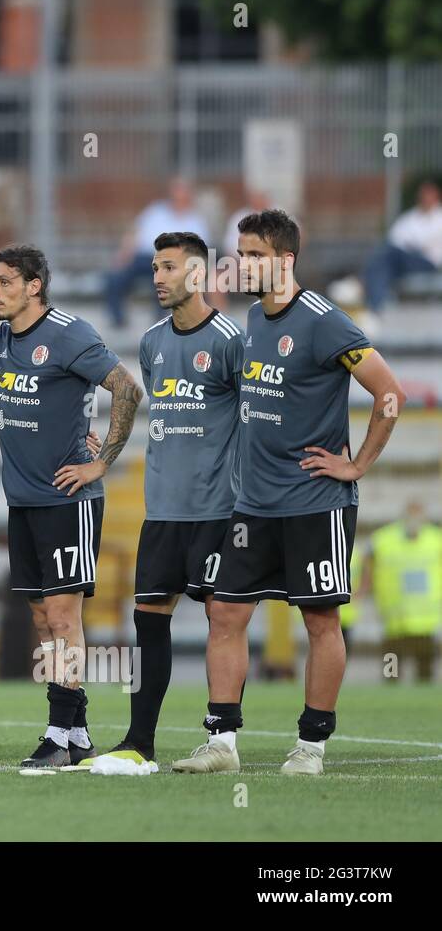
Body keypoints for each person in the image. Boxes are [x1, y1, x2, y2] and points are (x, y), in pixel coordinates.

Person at [172, 209, 406, 776]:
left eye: (253, 255)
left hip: (313, 502)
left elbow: (390, 394)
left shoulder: (326, 322)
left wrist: (357, 466)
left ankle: (310, 746)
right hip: (252, 504)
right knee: (224, 613)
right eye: (240, 253)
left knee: (320, 622)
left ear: (285, 259)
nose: (243, 264)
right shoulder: (252, 316)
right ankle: (222, 741)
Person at [82, 231, 244, 770]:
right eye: (154, 267)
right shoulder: (151, 342)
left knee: (223, 619)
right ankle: (138, 741)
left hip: (218, 512)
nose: (156, 277)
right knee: (148, 621)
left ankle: (223, 741)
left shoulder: (230, 341)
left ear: (197, 275)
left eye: (168, 267)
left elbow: (256, 419)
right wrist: (103, 451)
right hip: (163, 513)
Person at [0, 244, 143, 768]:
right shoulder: (3, 340)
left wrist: (102, 463)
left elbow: (127, 388)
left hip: (67, 499)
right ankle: (75, 735)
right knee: (40, 615)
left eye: (5, 282)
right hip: (24, 501)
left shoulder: (69, 332)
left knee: (62, 613)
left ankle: (58, 732)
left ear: (34, 285)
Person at [104, 177, 211, 327]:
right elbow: (134, 233)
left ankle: (159, 325)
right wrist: (123, 254)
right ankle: (118, 322)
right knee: (115, 278)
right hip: (143, 258)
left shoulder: (196, 220)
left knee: (163, 280)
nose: (178, 197)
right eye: (176, 192)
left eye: (182, 193)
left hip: (175, 264)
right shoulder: (155, 211)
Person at [361, 501, 442, 683]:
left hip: (425, 621)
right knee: (392, 669)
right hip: (394, 619)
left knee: (425, 670)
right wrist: (366, 585)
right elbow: (367, 557)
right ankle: (391, 695)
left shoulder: (436, 538)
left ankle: (422, 699)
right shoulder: (384, 538)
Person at [362, 178, 442, 315]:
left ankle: (366, 299)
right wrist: (413, 245)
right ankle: (374, 309)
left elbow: (421, 244)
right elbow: (395, 239)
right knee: (383, 265)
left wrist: (412, 245)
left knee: (385, 258)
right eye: (423, 195)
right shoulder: (410, 217)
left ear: (436, 196)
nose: (425, 198)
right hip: (402, 260)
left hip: (427, 263)